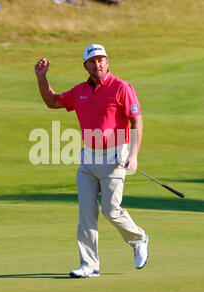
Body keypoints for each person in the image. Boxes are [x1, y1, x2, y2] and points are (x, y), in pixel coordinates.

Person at [34, 44, 149, 278]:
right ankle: (89, 264)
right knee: (86, 213)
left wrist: (133, 155)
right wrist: (42, 78)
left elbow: (136, 121)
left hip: (115, 156)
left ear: (107, 62)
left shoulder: (121, 87)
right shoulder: (79, 92)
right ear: (85, 65)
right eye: (92, 61)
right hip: (88, 158)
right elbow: (52, 101)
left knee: (110, 210)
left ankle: (139, 239)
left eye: (101, 60)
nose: (98, 64)